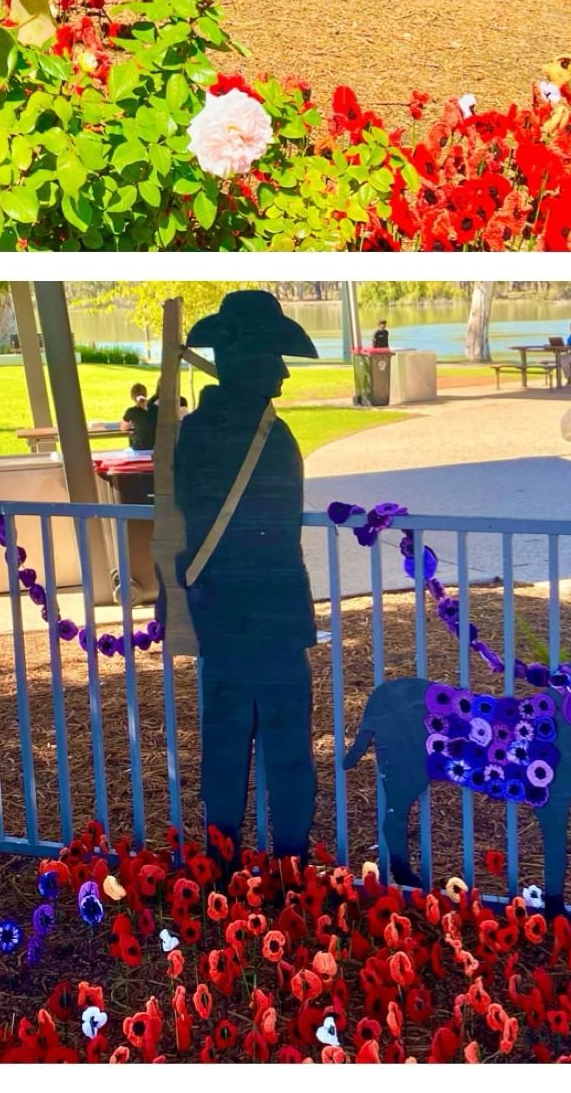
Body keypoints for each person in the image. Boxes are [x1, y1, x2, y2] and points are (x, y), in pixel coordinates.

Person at [155, 290, 318, 867]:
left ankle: (219, 870)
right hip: (272, 619)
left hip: (217, 614)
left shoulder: (194, 434)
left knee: (224, 749)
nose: (281, 369)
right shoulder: (273, 439)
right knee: (288, 754)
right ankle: (291, 869)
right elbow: (280, 530)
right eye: (273, 355)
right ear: (248, 361)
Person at [122, 383, 156, 451]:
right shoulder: (157, 409)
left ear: (132, 396)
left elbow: (123, 427)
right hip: (155, 448)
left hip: (138, 448)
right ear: (146, 394)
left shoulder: (131, 411)